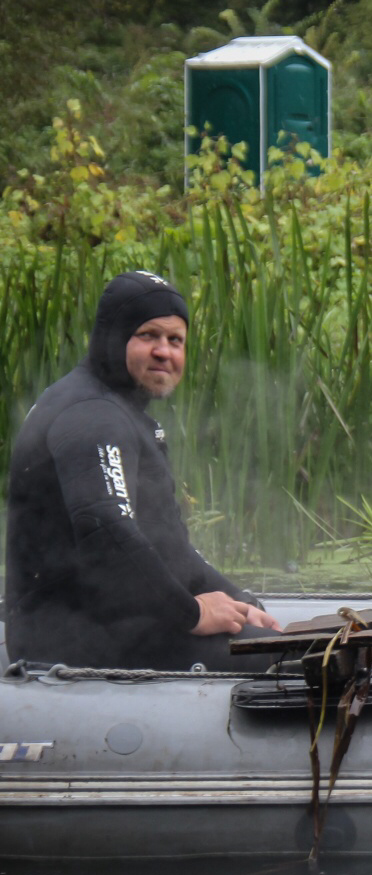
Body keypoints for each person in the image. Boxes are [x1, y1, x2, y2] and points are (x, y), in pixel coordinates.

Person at [4, 270, 282, 672]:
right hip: (74, 638)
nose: (164, 352)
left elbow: (165, 544)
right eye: (148, 335)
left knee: (282, 644)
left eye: (175, 340)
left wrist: (241, 602)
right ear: (112, 339)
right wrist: (190, 614)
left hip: (119, 621)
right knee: (296, 663)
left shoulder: (117, 410)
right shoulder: (92, 415)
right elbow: (106, 531)